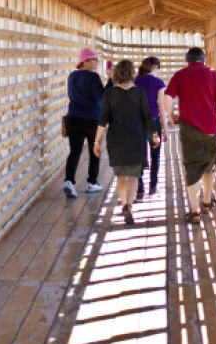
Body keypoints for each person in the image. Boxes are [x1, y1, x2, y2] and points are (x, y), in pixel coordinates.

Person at [164, 47, 216, 224]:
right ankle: (206, 202)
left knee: (192, 169)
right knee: (210, 167)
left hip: (189, 130)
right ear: (204, 60)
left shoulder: (180, 75)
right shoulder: (214, 75)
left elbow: (167, 96)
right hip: (211, 130)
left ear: (187, 61)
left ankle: (194, 211)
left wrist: (171, 115)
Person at [94, 60, 159, 225]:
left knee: (121, 176)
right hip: (136, 139)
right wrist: (154, 134)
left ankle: (124, 203)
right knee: (133, 176)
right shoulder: (139, 92)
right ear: (131, 74)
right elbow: (147, 116)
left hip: (116, 140)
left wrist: (96, 141)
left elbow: (103, 120)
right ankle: (129, 205)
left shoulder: (109, 94)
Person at [63, 48, 105, 198]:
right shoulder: (93, 77)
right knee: (94, 151)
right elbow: (102, 96)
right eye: (94, 59)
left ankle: (69, 181)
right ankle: (92, 182)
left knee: (74, 151)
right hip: (92, 118)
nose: (96, 62)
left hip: (73, 117)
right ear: (84, 61)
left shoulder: (72, 76)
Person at [134, 56, 168, 199]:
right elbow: (161, 106)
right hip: (153, 123)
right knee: (155, 155)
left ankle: (139, 188)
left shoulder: (135, 81)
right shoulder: (158, 83)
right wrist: (165, 128)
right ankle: (153, 186)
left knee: (140, 154)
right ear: (155, 67)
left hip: (137, 123)